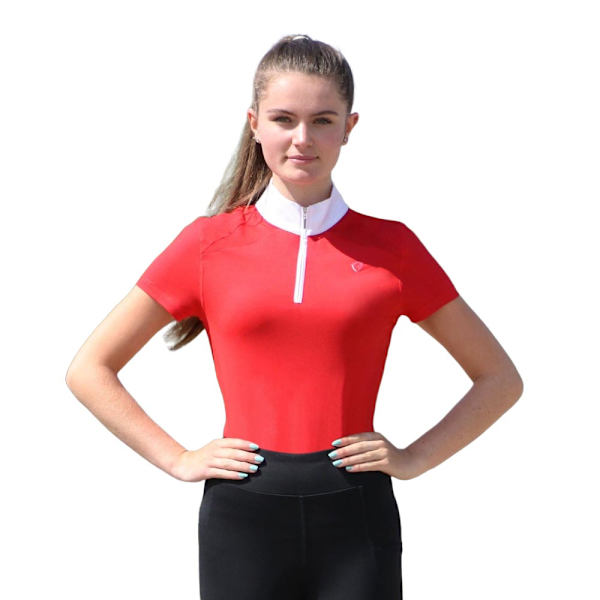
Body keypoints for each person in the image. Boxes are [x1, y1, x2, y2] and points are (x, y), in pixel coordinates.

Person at [65, 33, 523, 600]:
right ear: (254, 124)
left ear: (349, 128)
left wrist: (414, 458)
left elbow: (499, 378)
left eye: (322, 121)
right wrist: (178, 459)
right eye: (283, 119)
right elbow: (89, 369)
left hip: (357, 516)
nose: (302, 138)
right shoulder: (207, 245)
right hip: (242, 516)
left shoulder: (394, 249)